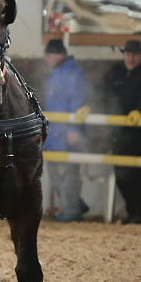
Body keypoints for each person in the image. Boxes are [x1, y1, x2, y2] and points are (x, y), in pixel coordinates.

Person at [103, 40, 141, 224]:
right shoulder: (115, 72)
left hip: (138, 130)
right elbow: (104, 93)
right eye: (128, 54)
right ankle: (133, 210)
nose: (131, 58)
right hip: (118, 127)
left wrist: (140, 110)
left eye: (134, 54)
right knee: (120, 169)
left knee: (133, 170)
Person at [43, 39, 88, 222]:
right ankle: (74, 204)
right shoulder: (59, 72)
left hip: (65, 132)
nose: (46, 59)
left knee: (68, 173)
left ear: (56, 55)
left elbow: (77, 100)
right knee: (57, 172)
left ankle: (71, 210)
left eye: (48, 55)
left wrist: (73, 128)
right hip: (55, 133)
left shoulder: (70, 72)